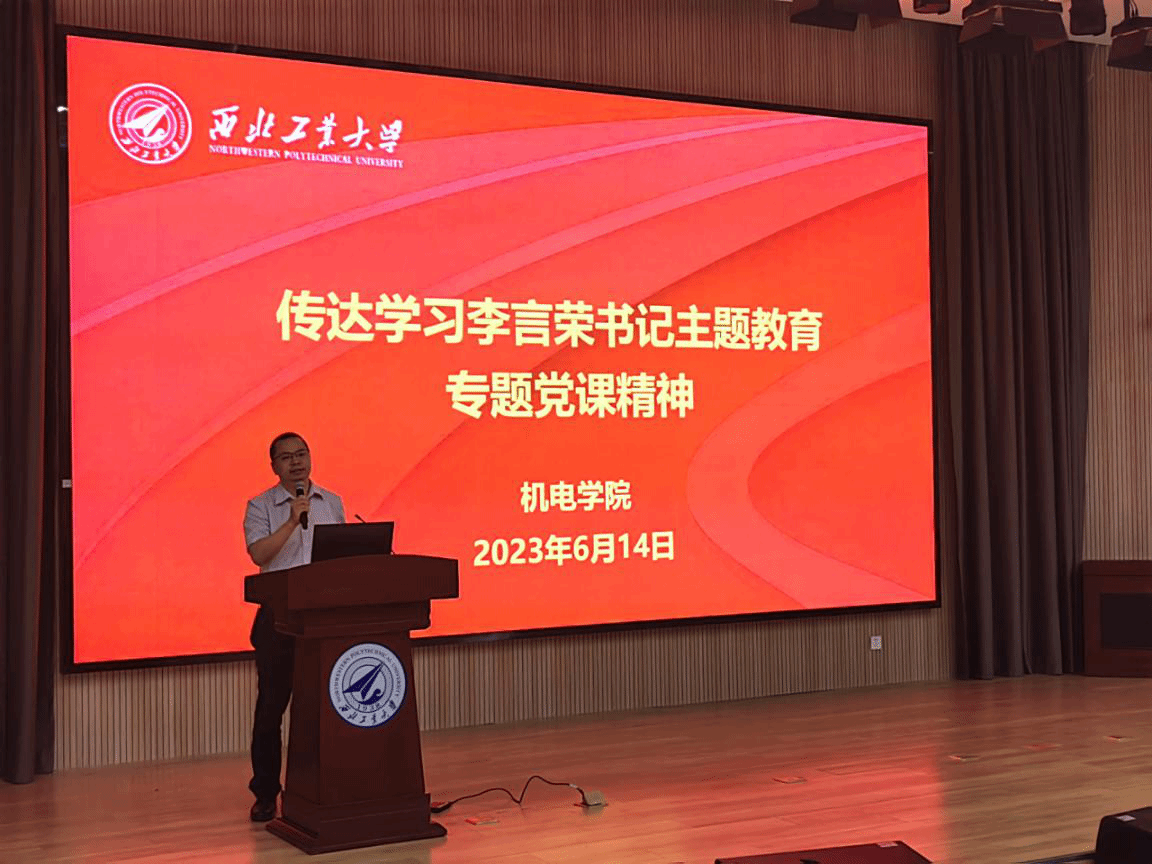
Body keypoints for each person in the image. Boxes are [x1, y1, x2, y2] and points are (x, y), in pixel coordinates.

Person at [242, 432, 345, 822]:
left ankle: (321, 787)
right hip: (278, 619)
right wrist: (290, 521)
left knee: (323, 708)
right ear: (274, 466)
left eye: (302, 454)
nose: (296, 462)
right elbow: (259, 554)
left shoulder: (331, 502)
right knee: (271, 710)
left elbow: (340, 557)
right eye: (286, 457)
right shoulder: (260, 505)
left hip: (322, 619)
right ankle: (266, 793)